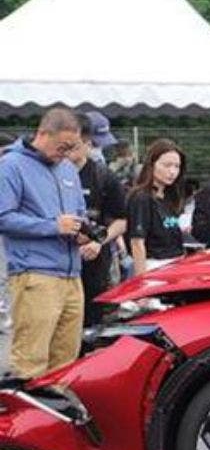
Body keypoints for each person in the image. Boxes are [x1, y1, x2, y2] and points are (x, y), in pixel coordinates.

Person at [0, 108, 88, 378]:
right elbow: (3, 217)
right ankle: (25, 419)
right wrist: (53, 226)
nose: (66, 152)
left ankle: (56, 418)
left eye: (71, 147)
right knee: (31, 360)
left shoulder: (68, 169)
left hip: (72, 276)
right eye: (62, 146)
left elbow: (80, 212)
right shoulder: (12, 166)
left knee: (66, 363)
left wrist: (83, 231)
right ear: (42, 133)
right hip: (35, 275)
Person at [68, 113, 127, 327]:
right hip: (56, 267)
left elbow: (121, 221)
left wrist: (98, 241)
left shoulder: (104, 177)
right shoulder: (49, 173)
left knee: (90, 327)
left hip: (93, 269)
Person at [126, 139, 187, 275]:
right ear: (152, 164)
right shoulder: (141, 198)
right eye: (167, 165)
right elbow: (137, 242)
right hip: (153, 265)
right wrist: (142, 281)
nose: (172, 171)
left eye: (177, 166)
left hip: (176, 263)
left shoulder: (171, 196)